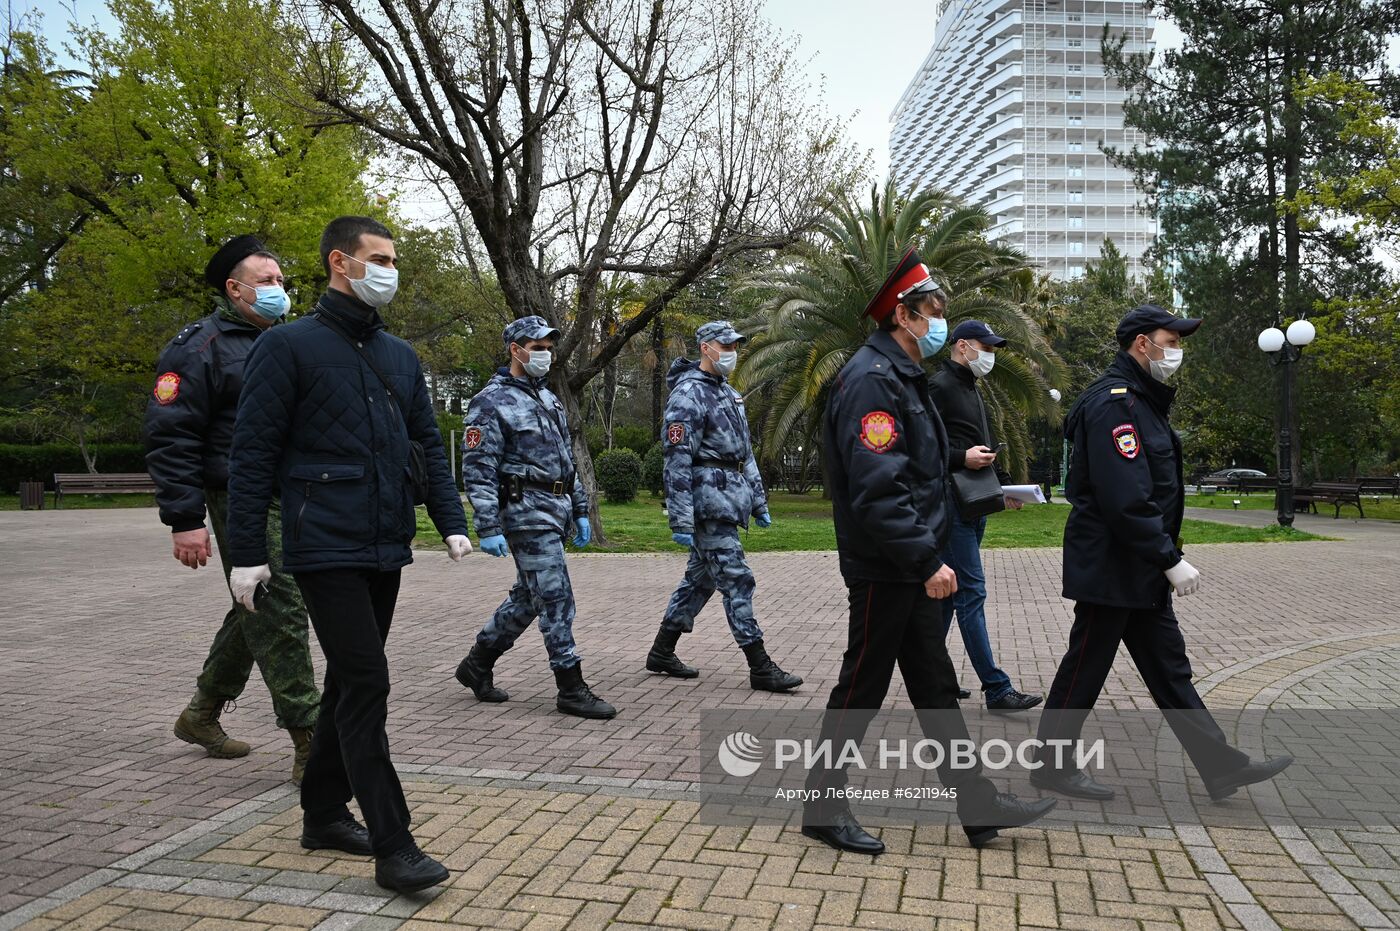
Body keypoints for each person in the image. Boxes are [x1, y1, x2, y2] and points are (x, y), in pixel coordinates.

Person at [225, 216, 472, 893]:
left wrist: (449, 521)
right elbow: (251, 459)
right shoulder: (288, 348)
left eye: (394, 258)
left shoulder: (398, 354)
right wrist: (245, 553)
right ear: (341, 261)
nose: (391, 269)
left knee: (345, 680)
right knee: (367, 681)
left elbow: (426, 444)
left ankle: (323, 811)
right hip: (322, 545)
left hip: (384, 543)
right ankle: (395, 845)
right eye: (380, 258)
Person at [803, 248, 1055, 854]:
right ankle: (821, 806)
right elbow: (877, 487)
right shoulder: (872, 380)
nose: (941, 320)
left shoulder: (902, 377)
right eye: (932, 309)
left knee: (936, 685)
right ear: (902, 314)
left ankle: (978, 804)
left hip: (909, 562)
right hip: (887, 565)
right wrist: (925, 560)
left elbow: (918, 474)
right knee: (861, 685)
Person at [1032, 304, 1292, 802]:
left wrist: (1161, 558)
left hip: (1139, 567)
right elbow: (1124, 495)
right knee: (1085, 667)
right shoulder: (1115, 405)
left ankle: (1219, 766)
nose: (1177, 350)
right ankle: (1050, 765)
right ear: (1141, 345)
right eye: (1170, 340)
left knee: (1170, 670)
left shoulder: (1142, 400)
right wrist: (1168, 558)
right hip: (1114, 564)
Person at [144, 234, 319, 784]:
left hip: (293, 493)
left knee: (258, 597)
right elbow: (171, 435)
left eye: (282, 282)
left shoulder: (284, 341)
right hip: (237, 493)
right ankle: (310, 740)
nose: (278, 291)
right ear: (234, 288)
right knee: (278, 603)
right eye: (266, 282)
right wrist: (185, 519)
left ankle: (201, 712)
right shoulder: (198, 347)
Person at [454, 316, 617, 720]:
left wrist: (580, 509)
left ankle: (477, 663)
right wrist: (488, 525)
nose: (545, 354)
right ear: (516, 349)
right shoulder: (489, 402)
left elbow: (567, 462)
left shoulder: (548, 399)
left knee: (529, 598)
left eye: (548, 347)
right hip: (525, 513)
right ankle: (570, 686)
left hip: (555, 510)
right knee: (556, 596)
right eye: (537, 346)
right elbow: (478, 467)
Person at [647, 321, 802, 691]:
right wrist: (681, 518)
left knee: (699, 581)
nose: (731, 351)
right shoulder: (687, 395)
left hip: (730, 498)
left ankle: (662, 650)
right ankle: (760, 664)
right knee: (737, 579)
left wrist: (759, 501)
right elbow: (677, 460)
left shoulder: (729, 394)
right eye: (725, 344)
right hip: (707, 503)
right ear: (705, 347)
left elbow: (745, 453)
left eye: (735, 345)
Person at [928, 320, 1041, 712]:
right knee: (971, 593)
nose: (990, 355)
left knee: (948, 596)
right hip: (952, 505)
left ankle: (932, 677)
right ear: (962, 346)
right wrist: (961, 458)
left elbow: (985, 444)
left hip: (975, 503)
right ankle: (996, 688)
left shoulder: (973, 387)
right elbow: (920, 448)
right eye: (985, 347)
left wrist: (1006, 487)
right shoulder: (939, 386)